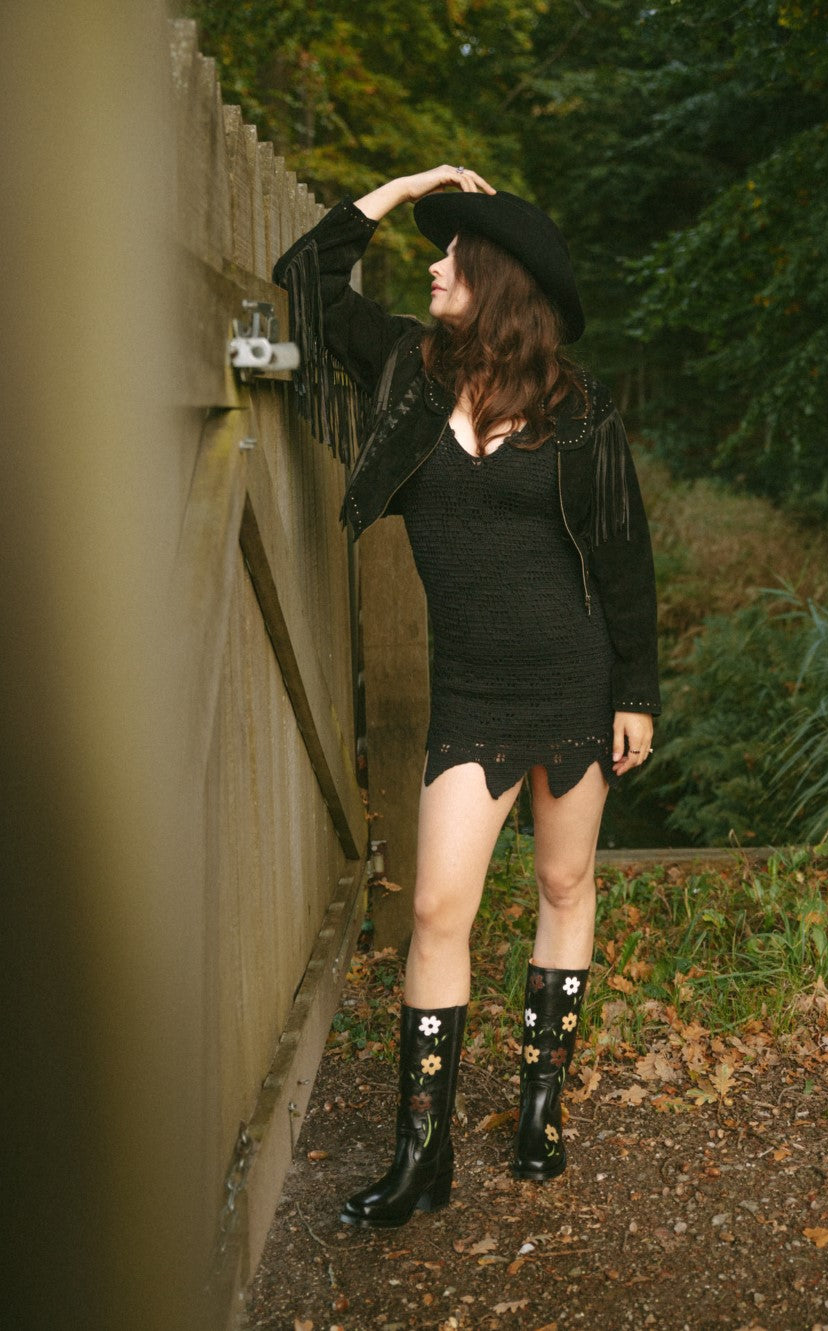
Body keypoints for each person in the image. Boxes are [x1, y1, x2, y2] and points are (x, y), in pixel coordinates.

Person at [273, 165, 660, 1229]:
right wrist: (405, 188)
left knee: (564, 885)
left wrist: (635, 689)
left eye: (453, 255)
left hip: (575, 681)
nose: (435, 267)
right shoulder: (405, 370)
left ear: (497, 282)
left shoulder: (580, 409)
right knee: (438, 908)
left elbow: (623, 553)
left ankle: (539, 1111)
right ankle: (422, 1153)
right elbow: (305, 279)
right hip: (472, 691)